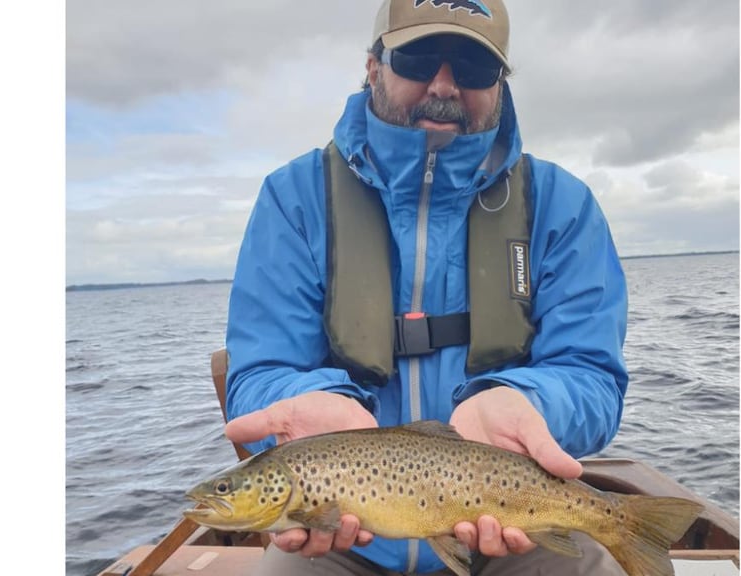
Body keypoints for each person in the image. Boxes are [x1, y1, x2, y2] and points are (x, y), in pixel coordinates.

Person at [222, 0, 629, 574]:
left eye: (473, 66)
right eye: (417, 58)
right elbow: (259, 374)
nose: (444, 85)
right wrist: (322, 415)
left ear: (501, 83)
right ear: (373, 67)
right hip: (342, 541)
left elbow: (593, 378)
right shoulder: (292, 200)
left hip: (514, 520)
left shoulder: (564, 206)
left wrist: (531, 403)